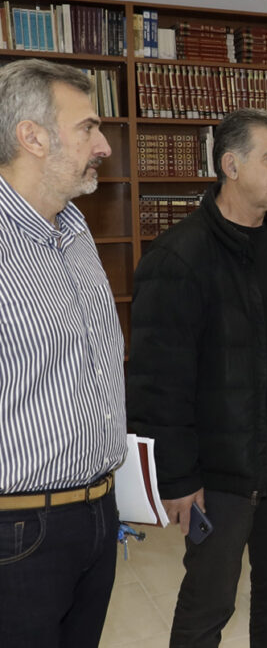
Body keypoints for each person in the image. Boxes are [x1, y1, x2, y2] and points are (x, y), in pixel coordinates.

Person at [129, 109, 267, 648]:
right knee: (210, 599)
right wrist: (178, 478)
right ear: (230, 165)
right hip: (224, 460)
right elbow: (158, 382)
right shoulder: (179, 256)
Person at [0, 59, 125, 648]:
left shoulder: (74, 229)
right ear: (32, 136)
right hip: (16, 530)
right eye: (88, 127)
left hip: (98, 511)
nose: (104, 146)